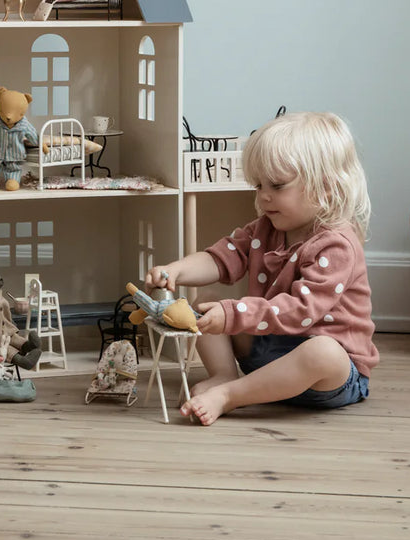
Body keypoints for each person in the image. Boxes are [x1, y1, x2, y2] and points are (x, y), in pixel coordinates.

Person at [146, 111, 377, 426]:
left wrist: (233, 313)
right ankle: (224, 375)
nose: (264, 196)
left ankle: (231, 394)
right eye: (258, 185)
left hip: (326, 378)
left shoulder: (336, 244)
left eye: (278, 185)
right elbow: (220, 257)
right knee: (201, 305)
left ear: (325, 186)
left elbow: (300, 311)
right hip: (269, 352)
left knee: (323, 351)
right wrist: (177, 270)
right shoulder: (265, 229)